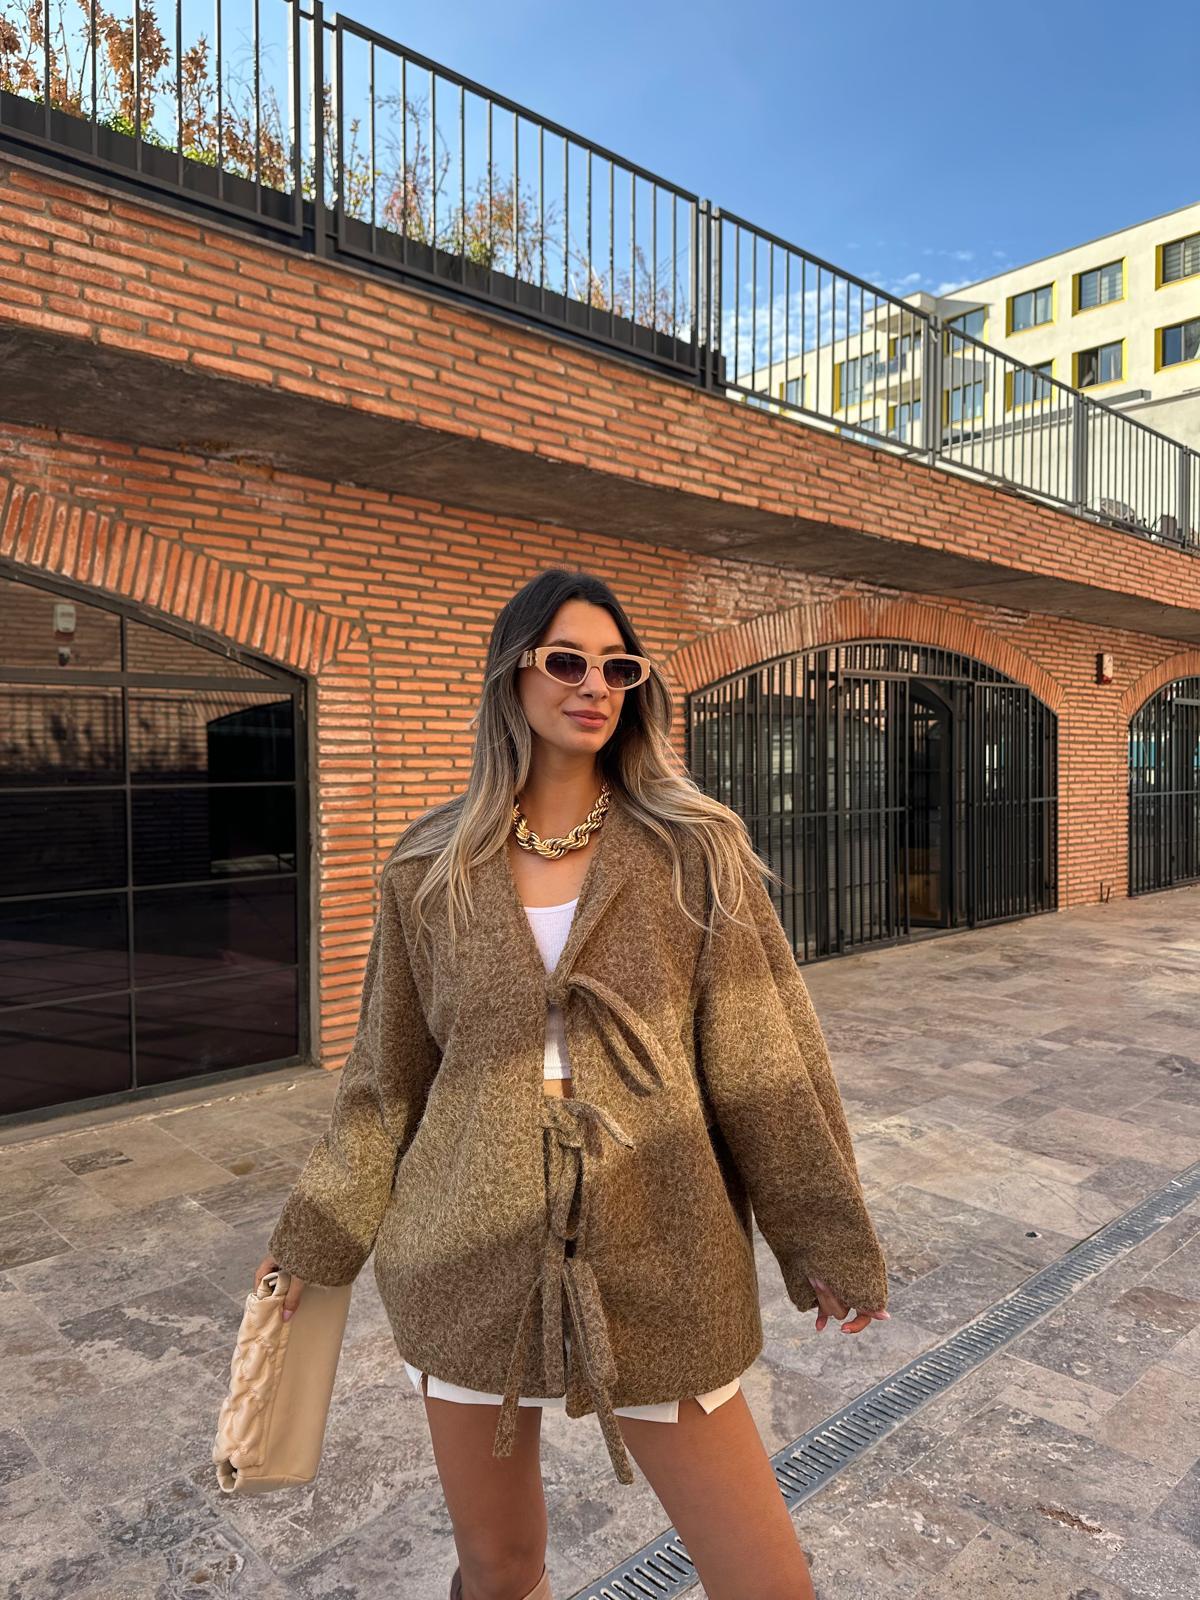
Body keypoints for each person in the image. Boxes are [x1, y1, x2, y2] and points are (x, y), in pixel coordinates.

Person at [257, 567, 890, 1600]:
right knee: (499, 1571)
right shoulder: (428, 869)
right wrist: (312, 1243)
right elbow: (384, 1083)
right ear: (513, 676)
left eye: (617, 667)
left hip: (663, 1248)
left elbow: (766, 1060)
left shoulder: (694, 850)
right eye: (566, 661)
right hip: (463, 1258)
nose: (594, 685)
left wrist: (824, 1236)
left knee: (765, 1579)